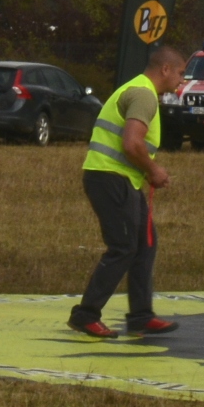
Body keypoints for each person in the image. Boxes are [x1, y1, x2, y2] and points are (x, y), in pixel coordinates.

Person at [69, 44, 186, 339]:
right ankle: (86, 314)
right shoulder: (144, 95)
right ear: (165, 69)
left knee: (145, 244)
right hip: (110, 178)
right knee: (123, 246)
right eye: (181, 73)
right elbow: (132, 144)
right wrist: (153, 170)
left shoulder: (140, 91)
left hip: (120, 179)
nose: (182, 80)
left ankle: (141, 316)